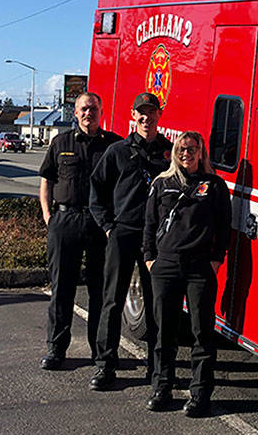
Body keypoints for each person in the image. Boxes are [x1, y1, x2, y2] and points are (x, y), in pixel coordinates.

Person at [143, 131, 232, 417]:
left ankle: (200, 394)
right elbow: (149, 224)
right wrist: (149, 260)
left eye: (193, 149)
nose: (187, 154)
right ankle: (161, 388)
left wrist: (216, 261)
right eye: (182, 149)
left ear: (201, 153)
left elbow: (224, 227)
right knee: (164, 331)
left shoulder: (215, 186)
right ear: (174, 152)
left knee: (201, 333)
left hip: (199, 267)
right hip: (165, 265)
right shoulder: (161, 183)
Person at [87, 92, 171, 391]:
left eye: (152, 112)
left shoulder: (169, 154)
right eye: (141, 113)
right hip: (122, 233)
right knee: (112, 301)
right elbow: (96, 190)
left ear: (160, 115)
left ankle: (158, 370)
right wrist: (108, 227)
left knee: (157, 304)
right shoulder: (118, 151)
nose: (147, 117)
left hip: (157, 240)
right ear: (133, 116)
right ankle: (105, 366)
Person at [38, 92, 122, 371]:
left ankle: (101, 354)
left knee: (100, 290)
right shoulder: (60, 143)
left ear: (101, 112)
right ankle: (56, 349)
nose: (89, 113)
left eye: (94, 109)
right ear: (75, 113)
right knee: (62, 289)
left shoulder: (114, 145)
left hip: (100, 225)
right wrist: (48, 216)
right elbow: (47, 182)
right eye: (84, 109)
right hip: (65, 221)